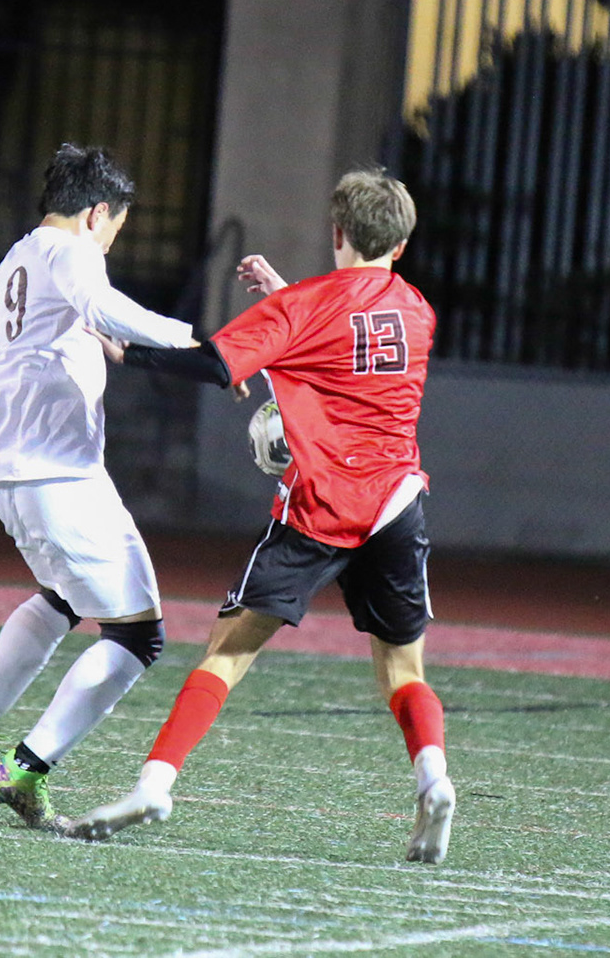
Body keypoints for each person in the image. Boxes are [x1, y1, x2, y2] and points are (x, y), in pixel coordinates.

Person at [70, 167, 457, 863]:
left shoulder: (305, 306)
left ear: (336, 232)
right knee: (404, 669)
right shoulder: (418, 309)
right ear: (401, 246)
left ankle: (155, 784)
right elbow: (352, 333)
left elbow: (218, 365)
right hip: (397, 503)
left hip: (320, 506)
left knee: (227, 651)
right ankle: (434, 780)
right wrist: (288, 299)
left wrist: (129, 353)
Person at [0, 143, 198, 830]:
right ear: (97, 213)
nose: (110, 242)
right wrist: (193, 341)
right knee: (138, 637)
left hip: (8, 469)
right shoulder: (72, 249)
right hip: (61, 472)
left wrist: (55, 348)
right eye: (115, 228)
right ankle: (26, 767)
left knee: (60, 599)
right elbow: (101, 304)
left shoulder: (17, 256)